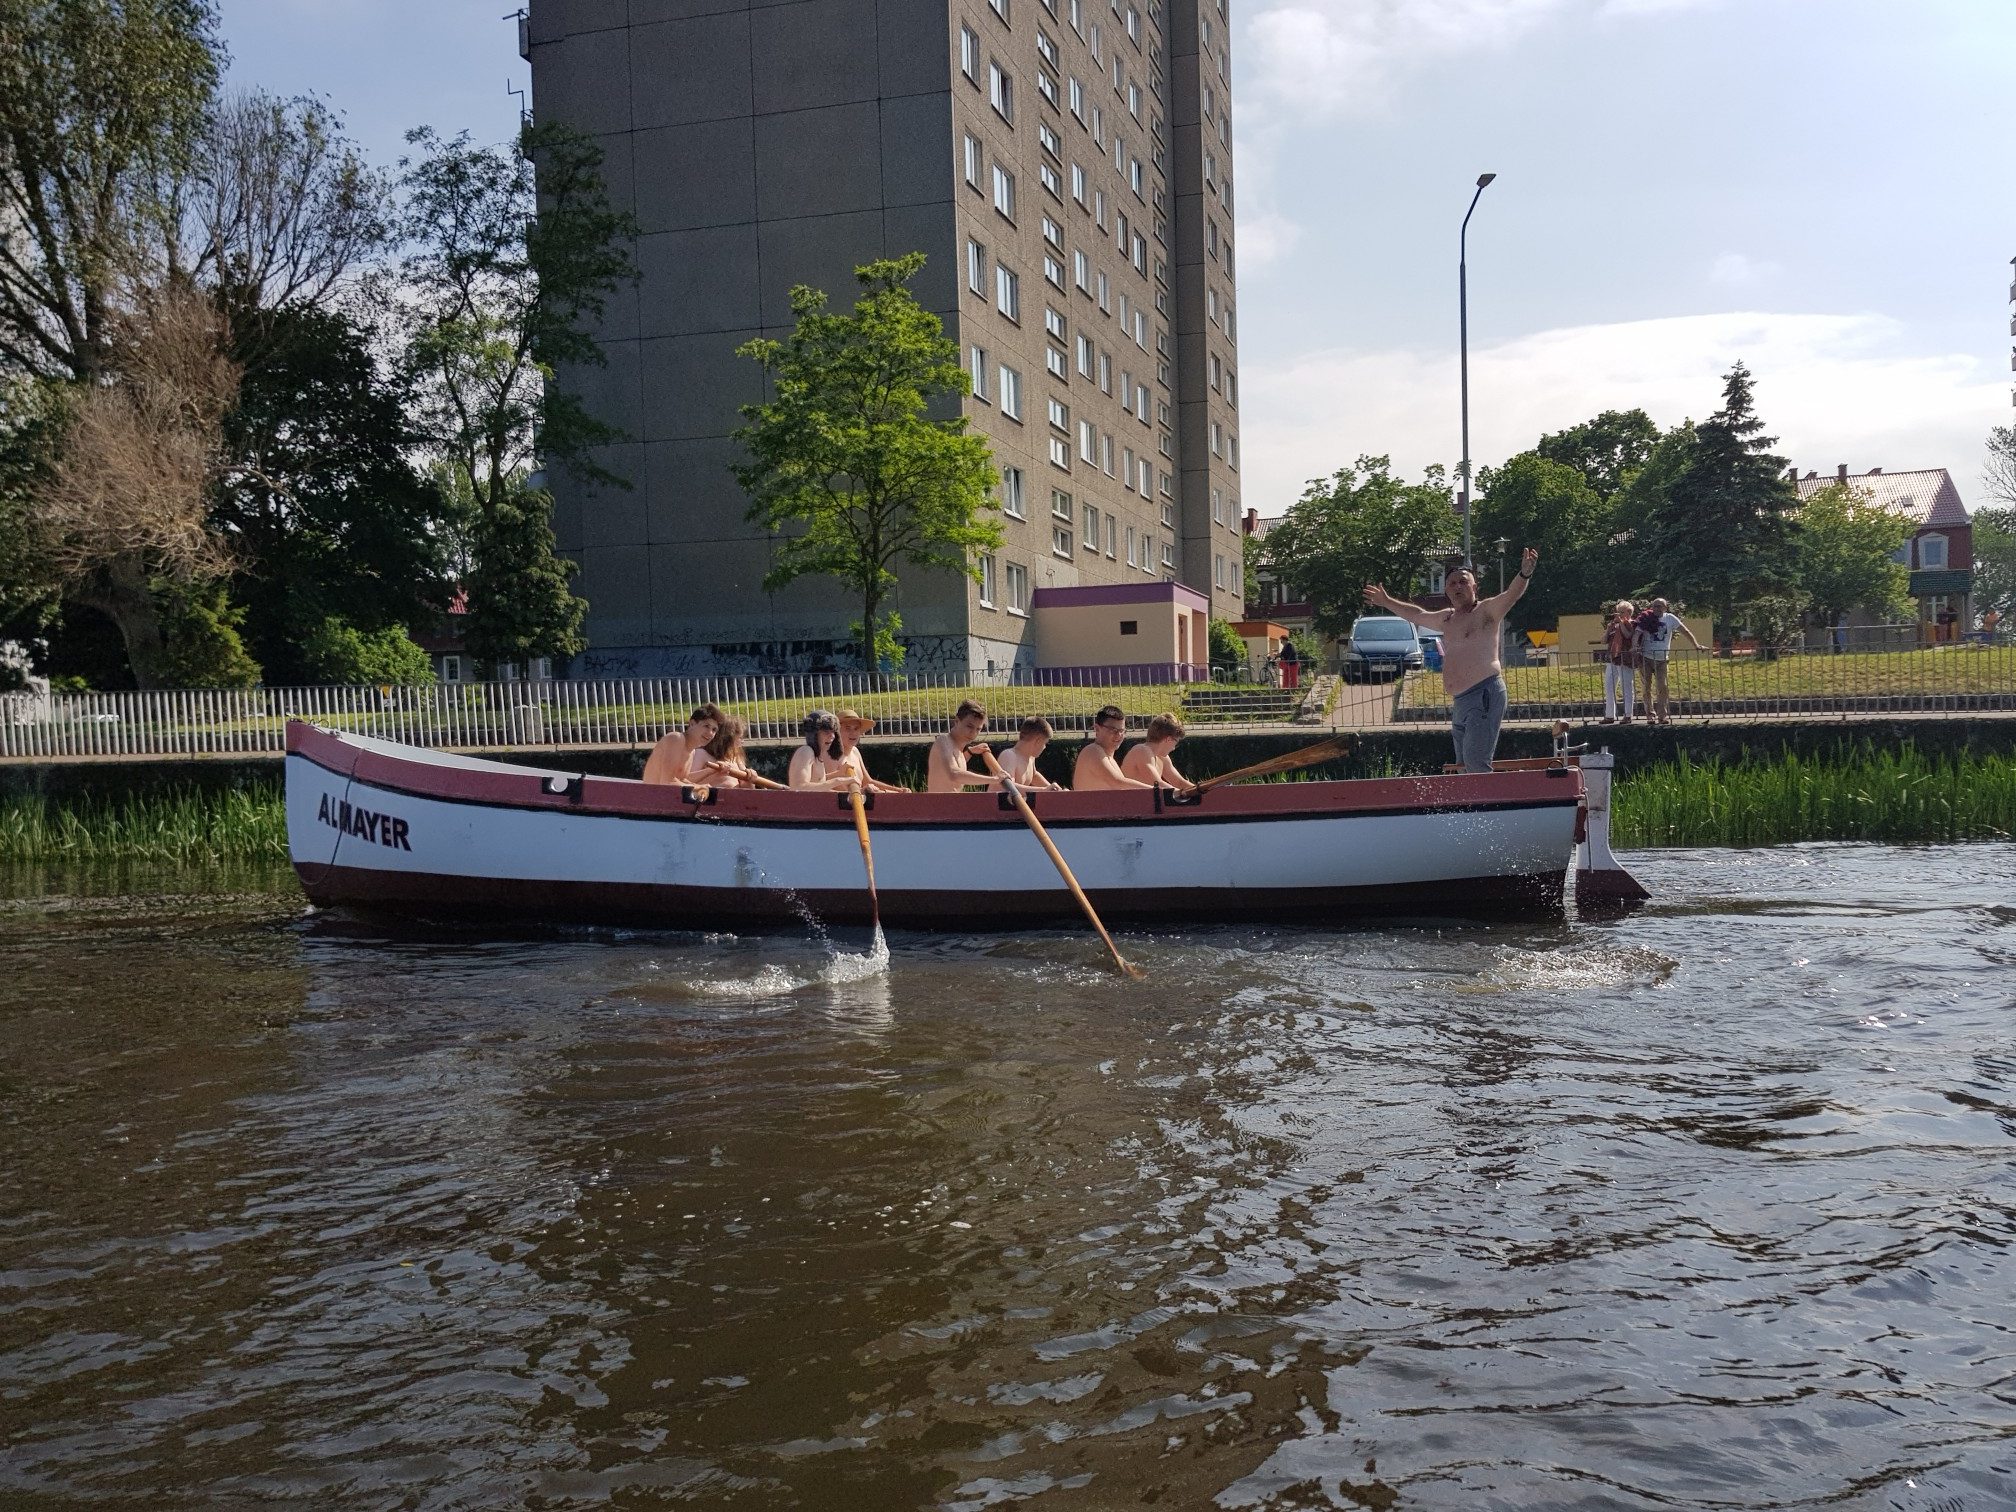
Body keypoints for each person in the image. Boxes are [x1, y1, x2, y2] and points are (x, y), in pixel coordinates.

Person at [1364, 549, 1538, 774]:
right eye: (1452, 583)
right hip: (1461, 700)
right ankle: (1469, 797)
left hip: (1484, 692)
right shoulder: (1447, 618)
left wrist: (1524, 574)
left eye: (1463, 582)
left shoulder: (1486, 611)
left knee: (1476, 761)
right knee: (1462, 765)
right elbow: (1416, 614)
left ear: (1474, 587)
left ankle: (1488, 797)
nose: (1458, 586)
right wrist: (1386, 601)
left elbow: (1511, 594)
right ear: (1446, 590)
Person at [1634, 597, 1703, 726]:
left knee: (1663, 687)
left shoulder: (1670, 618)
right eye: (1654, 606)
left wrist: (1696, 645)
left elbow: (1685, 631)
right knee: (1646, 687)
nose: (1656, 608)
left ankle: (1662, 716)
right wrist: (1634, 648)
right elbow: (1637, 633)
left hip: (1662, 659)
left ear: (1665, 608)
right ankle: (1650, 715)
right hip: (1646, 657)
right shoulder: (1647, 617)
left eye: (1659, 606)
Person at [927, 700, 1003, 794]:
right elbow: (954, 774)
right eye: (969, 726)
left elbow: (954, 764)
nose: (973, 732)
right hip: (937, 803)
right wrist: (994, 779)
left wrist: (970, 752)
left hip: (952, 802)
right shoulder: (943, 741)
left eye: (978, 729)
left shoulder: (960, 752)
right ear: (957, 721)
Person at [1073, 705, 1155, 791]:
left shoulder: (1109, 758)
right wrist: (1156, 791)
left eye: (1121, 731)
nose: (1118, 735)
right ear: (1097, 729)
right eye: (1113, 730)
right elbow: (1117, 783)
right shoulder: (1093, 751)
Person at [642, 703, 723, 785]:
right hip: (650, 793)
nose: (710, 733)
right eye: (706, 726)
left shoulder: (692, 750)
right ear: (692, 723)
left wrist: (713, 771)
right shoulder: (676, 739)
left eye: (714, 730)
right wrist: (698, 788)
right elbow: (667, 782)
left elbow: (682, 780)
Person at [1121, 712, 1198, 793]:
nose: (1174, 748)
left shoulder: (1162, 757)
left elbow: (1179, 782)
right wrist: (1181, 793)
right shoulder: (1141, 751)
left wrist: (1202, 792)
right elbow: (1157, 784)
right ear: (1168, 739)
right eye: (1176, 742)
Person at [835, 709, 907, 794]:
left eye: (856, 729)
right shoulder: (831, 756)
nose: (853, 733)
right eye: (848, 729)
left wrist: (899, 790)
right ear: (837, 731)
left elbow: (868, 781)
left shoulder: (855, 751)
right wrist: (861, 791)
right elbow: (830, 790)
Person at [788, 709, 858, 790]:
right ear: (814, 734)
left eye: (833, 732)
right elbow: (799, 787)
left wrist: (839, 774)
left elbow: (818, 783)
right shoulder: (806, 751)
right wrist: (838, 781)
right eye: (826, 732)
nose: (832, 736)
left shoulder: (817, 756)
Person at [1600, 600, 1639, 725]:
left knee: (1626, 687)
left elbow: (1628, 635)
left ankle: (1628, 715)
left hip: (1625, 659)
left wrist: (1621, 623)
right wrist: (1608, 629)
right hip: (1612, 659)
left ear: (1629, 612)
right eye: (1618, 612)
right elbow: (1603, 641)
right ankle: (1609, 715)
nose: (1619, 615)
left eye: (1622, 612)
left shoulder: (1632, 623)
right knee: (1609, 687)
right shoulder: (1613, 625)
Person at [996, 716, 1061, 788]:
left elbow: (1034, 776)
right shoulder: (1009, 756)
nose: (1044, 747)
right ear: (1038, 741)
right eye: (1045, 743)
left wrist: (1056, 791)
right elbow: (1009, 787)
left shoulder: (1031, 757)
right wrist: (1044, 790)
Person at [696, 715, 758, 789]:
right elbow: (688, 784)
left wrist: (750, 781)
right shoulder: (701, 754)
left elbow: (746, 790)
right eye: (740, 738)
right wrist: (714, 773)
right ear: (728, 739)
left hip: (735, 796)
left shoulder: (736, 758)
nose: (742, 742)